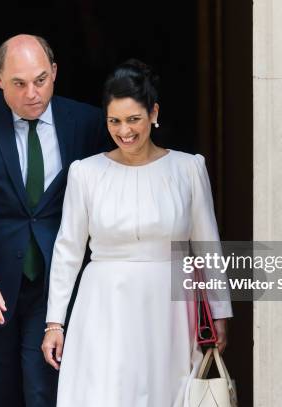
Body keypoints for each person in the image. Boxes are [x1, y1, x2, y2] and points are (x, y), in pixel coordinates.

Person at [41, 59, 232, 406]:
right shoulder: (86, 173)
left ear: (153, 113)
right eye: (114, 121)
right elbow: (67, 250)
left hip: (170, 308)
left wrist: (219, 313)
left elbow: (206, 246)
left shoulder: (188, 168)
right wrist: (54, 323)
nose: (124, 131)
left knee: (167, 393)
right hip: (103, 305)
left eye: (133, 119)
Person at [0, 34, 111, 407]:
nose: (31, 93)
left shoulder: (87, 122)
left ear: (54, 72)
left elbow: (108, 197)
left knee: (44, 392)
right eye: (18, 83)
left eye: (40, 80)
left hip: (56, 284)